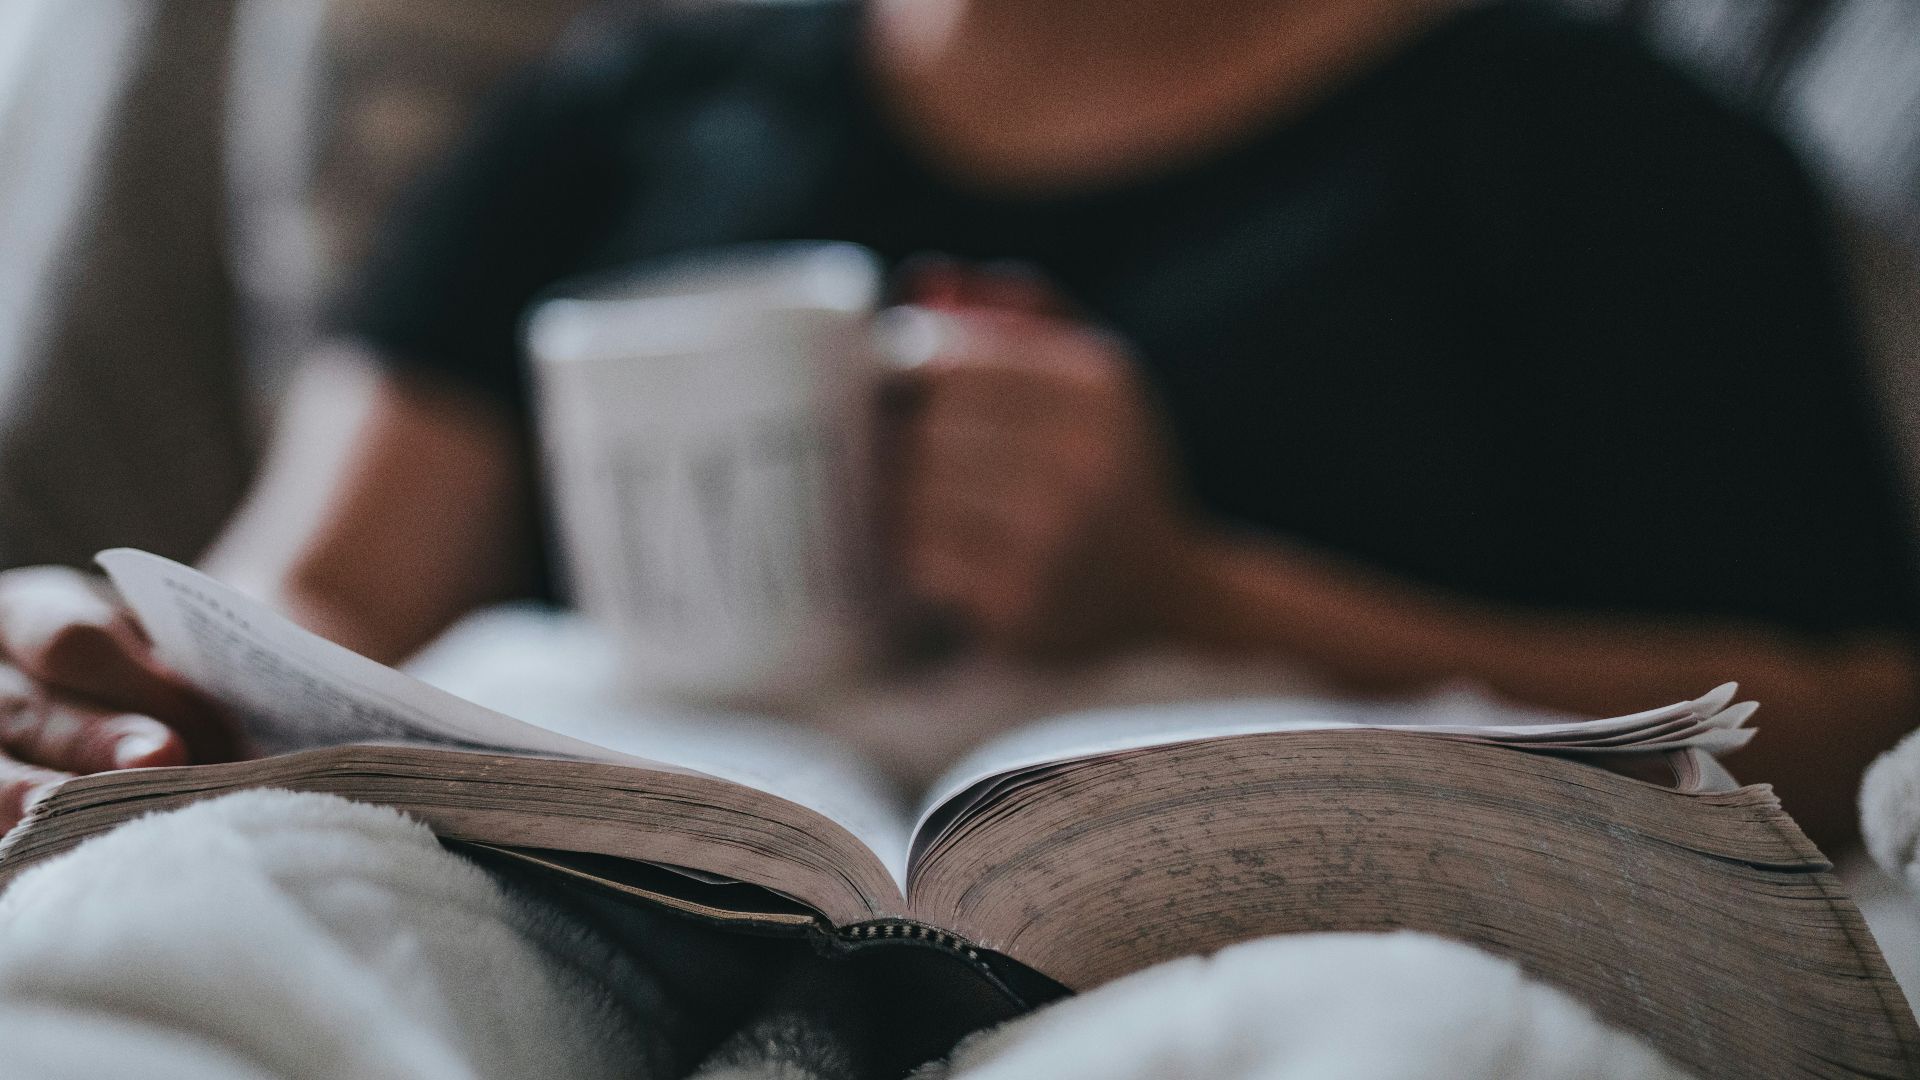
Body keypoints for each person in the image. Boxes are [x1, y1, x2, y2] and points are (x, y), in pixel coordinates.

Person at [0, 0, 1915, 850]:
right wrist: (99, 663)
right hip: (603, 899)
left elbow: (1853, 720)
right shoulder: (609, 122)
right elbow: (314, 583)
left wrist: (1195, 591)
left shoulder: (1604, 147)